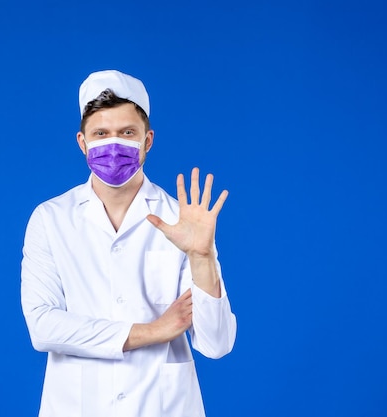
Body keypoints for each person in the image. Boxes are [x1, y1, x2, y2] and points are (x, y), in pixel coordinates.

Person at [21, 69, 237, 417]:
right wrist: (152, 331)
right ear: (82, 142)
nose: (113, 145)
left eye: (127, 133)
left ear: (147, 140)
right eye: (101, 133)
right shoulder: (51, 218)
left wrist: (202, 257)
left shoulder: (180, 219)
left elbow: (217, 344)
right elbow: (43, 327)